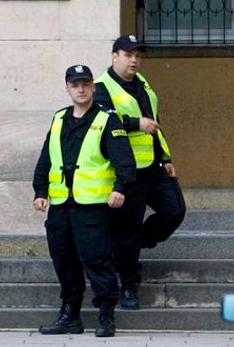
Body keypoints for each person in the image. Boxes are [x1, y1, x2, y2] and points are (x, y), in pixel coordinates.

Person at [32, 64, 136, 338]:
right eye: (75, 85)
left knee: (96, 259)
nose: (80, 89)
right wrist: (39, 191)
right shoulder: (59, 119)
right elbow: (46, 157)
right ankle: (70, 315)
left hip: (91, 208)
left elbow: (124, 159)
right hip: (60, 206)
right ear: (67, 89)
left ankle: (105, 316)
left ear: (92, 87)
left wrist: (121, 188)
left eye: (85, 84)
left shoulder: (106, 119)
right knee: (63, 259)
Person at [93, 35, 186, 310]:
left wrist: (165, 156)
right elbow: (100, 120)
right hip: (127, 171)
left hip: (153, 168)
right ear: (114, 56)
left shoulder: (142, 83)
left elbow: (155, 123)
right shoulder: (102, 87)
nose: (134, 60)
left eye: (138, 55)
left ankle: (135, 246)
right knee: (127, 230)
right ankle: (128, 286)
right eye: (128, 54)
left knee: (175, 211)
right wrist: (136, 123)